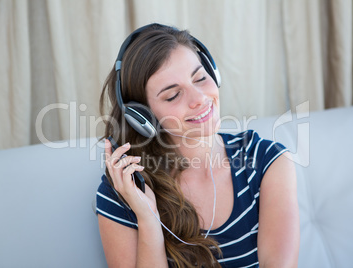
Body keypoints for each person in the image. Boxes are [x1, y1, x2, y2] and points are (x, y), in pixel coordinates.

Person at [96, 23, 299, 268]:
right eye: (173, 95)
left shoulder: (267, 161)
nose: (200, 99)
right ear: (142, 117)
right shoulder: (126, 189)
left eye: (200, 78)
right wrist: (149, 220)